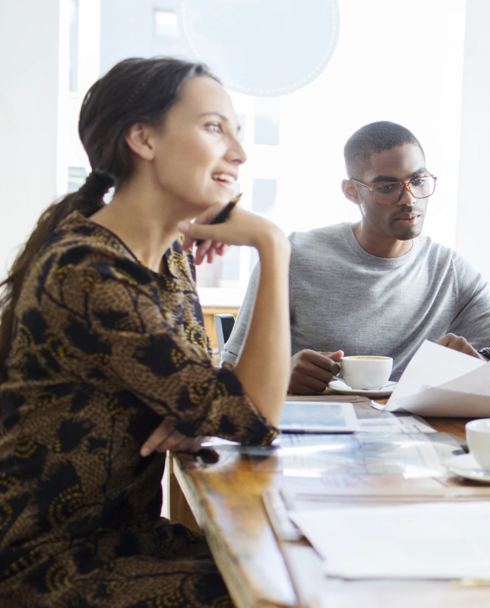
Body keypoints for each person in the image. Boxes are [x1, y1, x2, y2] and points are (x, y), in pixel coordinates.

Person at [0, 58, 292, 605]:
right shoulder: (91, 272)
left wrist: (197, 410)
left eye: (237, 132)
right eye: (214, 127)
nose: (239, 153)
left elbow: (215, 398)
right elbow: (253, 416)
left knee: (285, 565)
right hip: (49, 564)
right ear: (143, 138)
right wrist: (274, 248)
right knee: (278, 591)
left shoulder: (166, 262)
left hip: (122, 539)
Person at [221, 121, 490, 394]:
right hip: (313, 441)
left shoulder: (448, 270)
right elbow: (230, 368)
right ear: (351, 191)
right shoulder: (293, 257)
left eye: (418, 181)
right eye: (388, 187)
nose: (409, 199)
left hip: (412, 444)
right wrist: (279, 374)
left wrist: (486, 365)